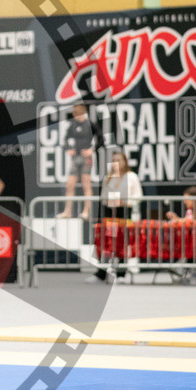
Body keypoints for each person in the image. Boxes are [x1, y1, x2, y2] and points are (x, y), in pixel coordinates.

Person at [88, 150, 142, 284]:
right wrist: (111, 201)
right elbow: (103, 196)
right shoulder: (109, 177)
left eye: (119, 160)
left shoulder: (132, 176)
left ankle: (121, 274)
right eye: (114, 160)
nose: (116, 163)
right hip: (109, 214)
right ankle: (101, 273)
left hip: (125, 214)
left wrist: (124, 201)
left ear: (125, 162)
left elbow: (138, 196)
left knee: (122, 244)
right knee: (106, 243)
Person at [57, 102, 103, 220]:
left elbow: (101, 138)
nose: (77, 116)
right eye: (75, 114)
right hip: (75, 157)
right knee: (69, 185)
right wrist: (68, 148)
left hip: (86, 157)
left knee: (86, 184)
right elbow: (66, 138)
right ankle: (68, 211)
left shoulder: (89, 124)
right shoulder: (72, 124)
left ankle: (86, 211)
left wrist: (92, 150)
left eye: (79, 114)